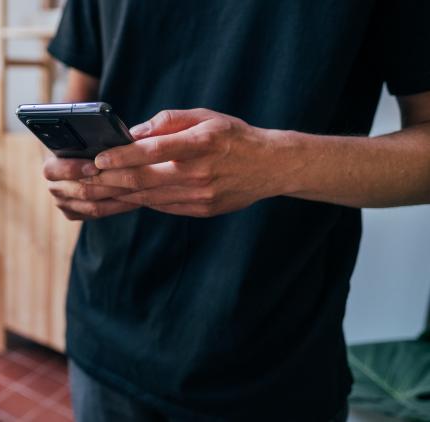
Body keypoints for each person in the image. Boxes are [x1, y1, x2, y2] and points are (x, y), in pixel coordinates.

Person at [42, 1, 430, 421]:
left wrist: (274, 162)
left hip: (272, 362)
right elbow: (80, 96)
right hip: (104, 331)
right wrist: (73, 172)